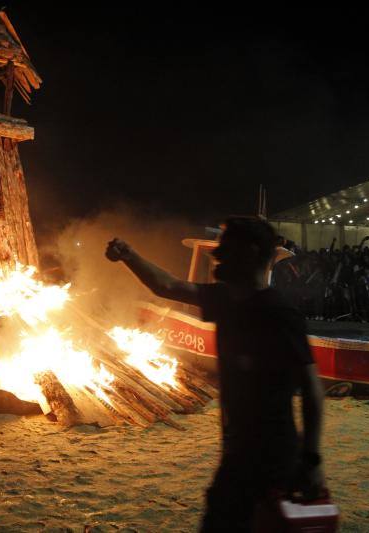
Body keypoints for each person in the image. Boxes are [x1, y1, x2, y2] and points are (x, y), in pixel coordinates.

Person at [106, 216, 325, 532]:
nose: (218, 255)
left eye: (227, 247)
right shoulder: (225, 299)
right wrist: (129, 256)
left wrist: (313, 461)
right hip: (238, 455)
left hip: (273, 458)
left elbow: (312, 391)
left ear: (250, 252)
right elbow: (166, 285)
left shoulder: (278, 313)